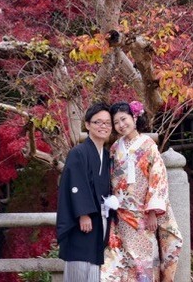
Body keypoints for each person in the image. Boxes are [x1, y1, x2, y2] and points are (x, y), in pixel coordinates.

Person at [101, 101, 183, 282]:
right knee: (122, 260)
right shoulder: (115, 148)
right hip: (121, 214)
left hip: (143, 215)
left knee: (144, 261)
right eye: (117, 122)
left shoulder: (148, 145)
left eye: (124, 119)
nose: (121, 125)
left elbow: (157, 178)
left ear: (134, 117)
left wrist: (153, 211)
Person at [57, 102, 114, 282]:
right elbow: (75, 184)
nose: (103, 126)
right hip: (83, 220)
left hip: (101, 218)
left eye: (107, 123)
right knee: (80, 264)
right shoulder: (78, 152)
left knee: (95, 266)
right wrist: (83, 213)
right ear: (87, 125)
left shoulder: (106, 155)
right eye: (98, 122)